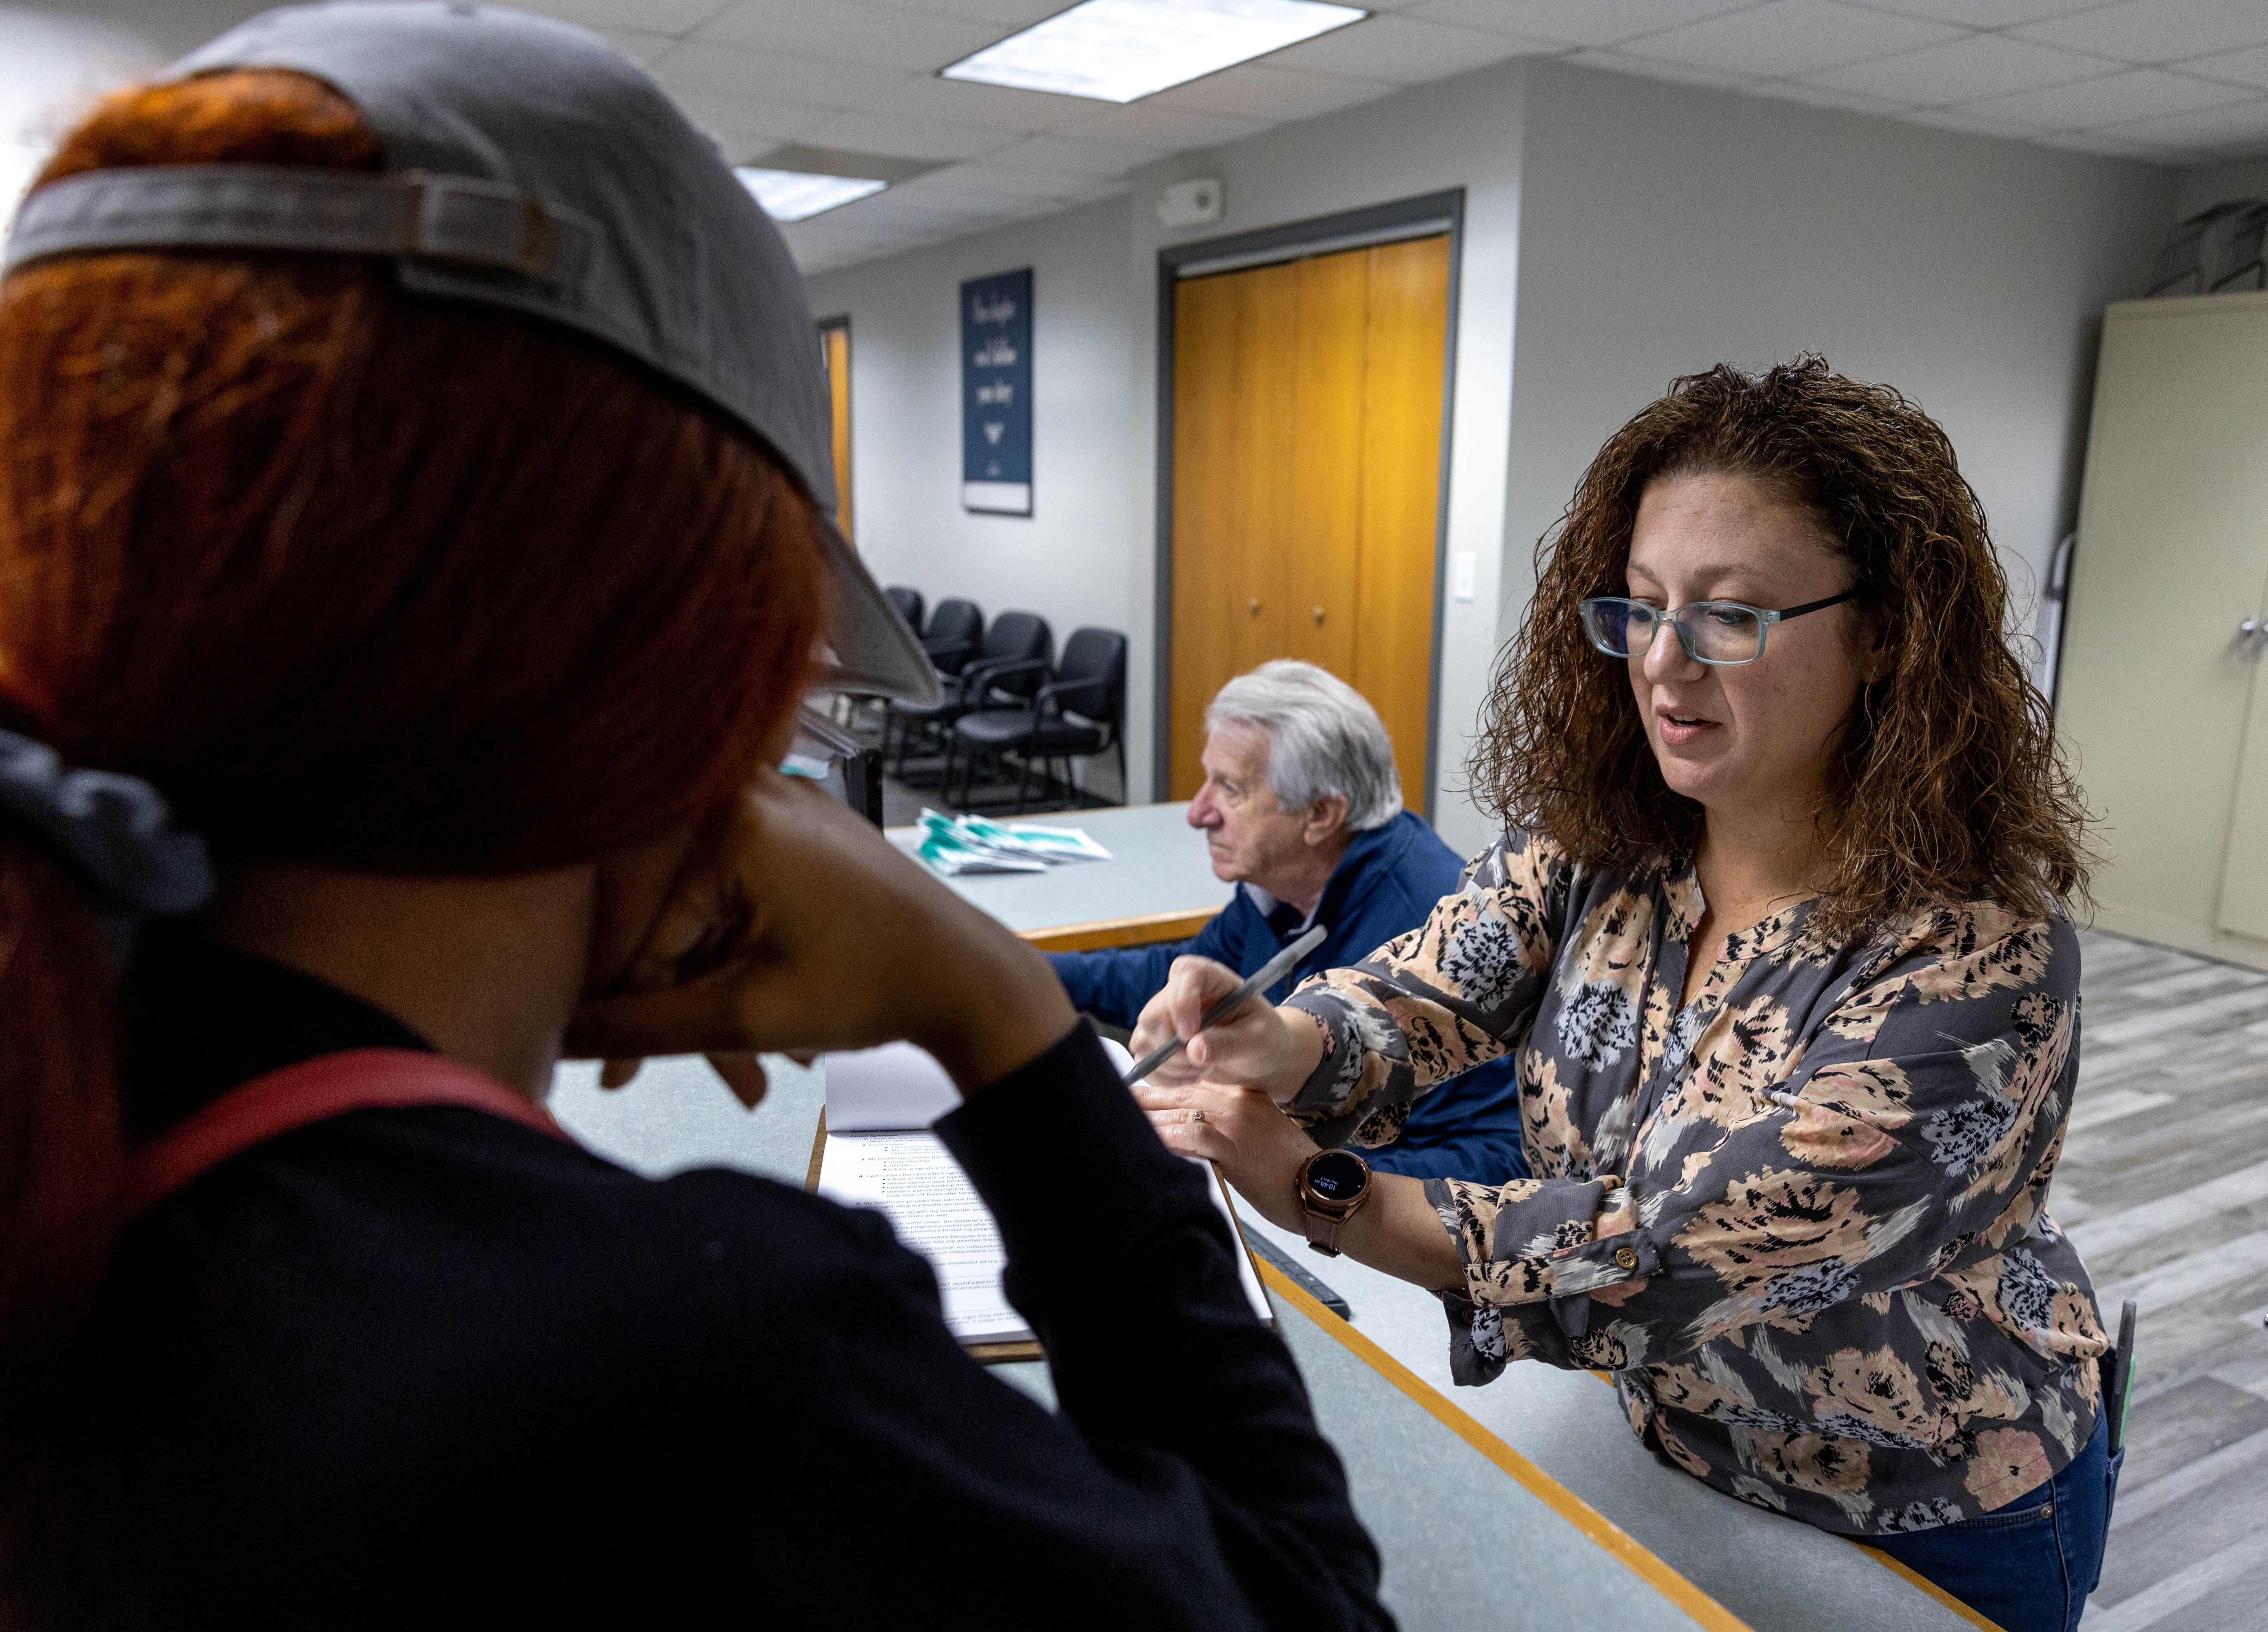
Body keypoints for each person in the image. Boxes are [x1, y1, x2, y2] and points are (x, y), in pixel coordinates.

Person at [0, 8, 1388, 1627]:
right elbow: (1302, 1601)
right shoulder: (683, 1360)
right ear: (677, 664)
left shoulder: (76, 1106)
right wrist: (989, 1002)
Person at [1131, 359, 2118, 1632]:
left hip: (1922, 1510)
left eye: (1727, 616)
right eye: (1639, 608)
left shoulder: (1977, 957)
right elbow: (1426, 991)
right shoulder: (1602, 845)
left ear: (1884, 633)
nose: (1662, 662)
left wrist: (1327, 1192)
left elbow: (1662, 1252)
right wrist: (1279, 1037)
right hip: (1670, 1446)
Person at [1053, 662, 1525, 1184]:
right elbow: (1179, 976)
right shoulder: (1283, 885)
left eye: (1230, 789)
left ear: (1320, 814)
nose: (1198, 812)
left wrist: (1287, 1169)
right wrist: (1022, 969)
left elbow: (1494, 1159)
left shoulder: (1442, 930)